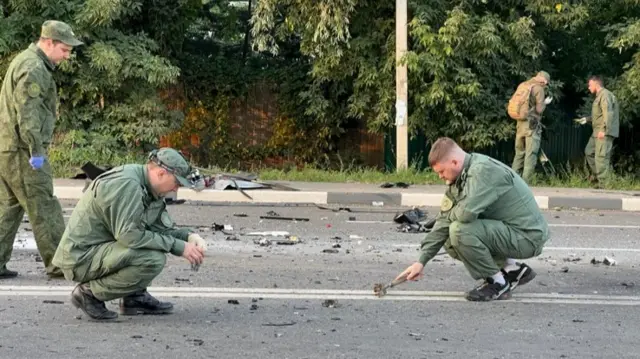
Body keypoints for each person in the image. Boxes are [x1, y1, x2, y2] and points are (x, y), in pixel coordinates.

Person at [51, 148, 208, 320]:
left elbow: (159, 229)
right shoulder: (128, 185)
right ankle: (88, 294)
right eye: (177, 182)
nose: (176, 188)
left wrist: (189, 238)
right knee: (152, 259)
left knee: (152, 245)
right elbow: (130, 236)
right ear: (161, 173)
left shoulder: (151, 188)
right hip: (80, 258)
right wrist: (178, 247)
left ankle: (134, 297)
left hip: (100, 250)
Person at [396, 137, 550, 301]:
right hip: (510, 231)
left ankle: (498, 283)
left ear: (454, 162)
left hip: (527, 237)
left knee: (459, 230)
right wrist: (421, 262)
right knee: (448, 234)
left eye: (441, 171)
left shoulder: (483, 172)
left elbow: (464, 215)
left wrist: (449, 215)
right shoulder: (461, 176)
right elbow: (443, 220)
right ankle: (511, 269)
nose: (440, 177)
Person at [0, 20, 83, 279]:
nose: (67, 55)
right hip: (23, 150)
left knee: (9, 207)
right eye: (65, 49)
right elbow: (28, 113)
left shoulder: (25, 60)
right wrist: (36, 151)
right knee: (44, 205)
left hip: (9, 148)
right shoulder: (34, 67)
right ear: (49, 42)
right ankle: (60, 264)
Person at [574, 76, 619, 187]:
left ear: (596, 84)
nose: (589, 87)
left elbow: (608, 114)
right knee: (589, 151)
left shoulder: (605, 95)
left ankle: (604, 185)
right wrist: (587, 119)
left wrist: (604, 130)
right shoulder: (599, 96)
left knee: (601, 158)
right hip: (596, 132)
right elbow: (599, 115)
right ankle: (598, 177)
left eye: (590, 85)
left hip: (603, 132)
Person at [510, 71, 553, 183]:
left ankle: (513, 182)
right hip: (531, 125)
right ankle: (525, 184)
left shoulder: (523, 85)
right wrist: (545, 103)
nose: (545, 85)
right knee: (531, 154)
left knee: (519, 153)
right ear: (544, 80)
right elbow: (539, 110)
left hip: (520, 124)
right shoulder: (539, 89)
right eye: (546, 83)